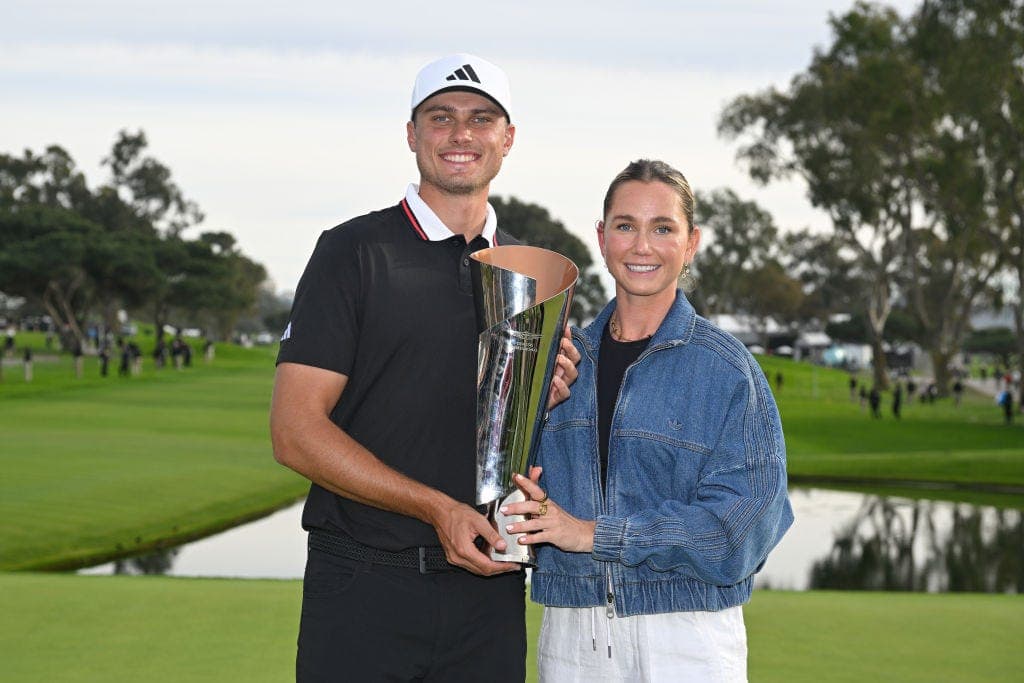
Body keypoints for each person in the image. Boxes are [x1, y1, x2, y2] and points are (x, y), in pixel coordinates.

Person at [270, 54, 578, 682]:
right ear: (412, 135)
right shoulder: (353, 250)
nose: (461, 133)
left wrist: (537, 402)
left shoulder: (530, 275)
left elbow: (495, 432)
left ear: (508, 139)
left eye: (481, 119)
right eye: (441, 117)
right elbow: (294, 431)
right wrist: (438, 508)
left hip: (488, 593)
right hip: (363, 586)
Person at [504, 159, 793, 682]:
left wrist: (597, 535)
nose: (641, 246)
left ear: (691, 243)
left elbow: (743, 532)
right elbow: (500, 501)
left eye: (662, 228)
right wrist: (529, 421)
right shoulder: (556, 362)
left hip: (687, 640)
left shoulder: (727, 370)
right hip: (572, 637)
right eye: (625, 226)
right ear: (601, 238)